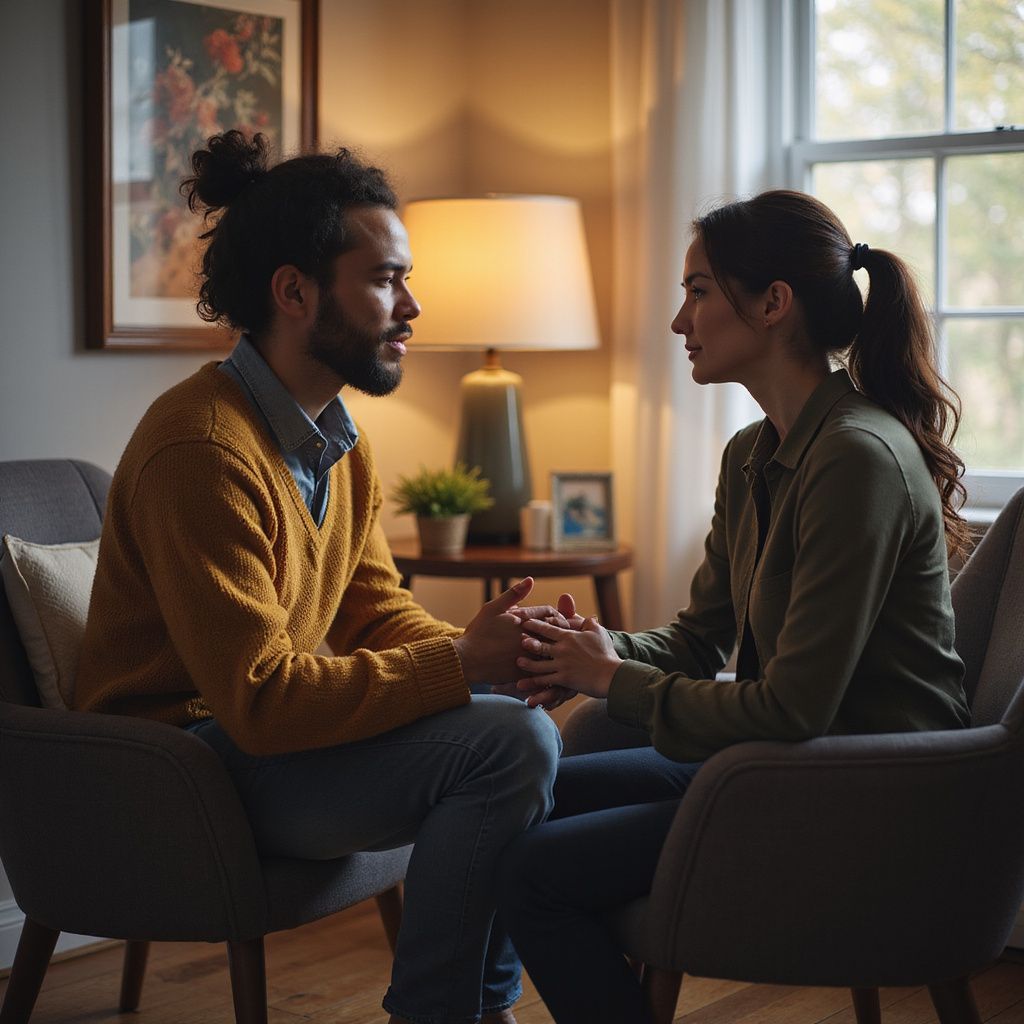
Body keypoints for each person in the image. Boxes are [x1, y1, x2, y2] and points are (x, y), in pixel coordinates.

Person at [75, 130, 564, 1024]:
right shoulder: (201, 450)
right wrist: (463, 670)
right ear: (295, 291)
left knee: (523, 721)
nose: (412, 306)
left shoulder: (338, 440)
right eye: (386, 280)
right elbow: (259, 698)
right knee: (509, 743)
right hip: (176, 771)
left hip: (256, 748)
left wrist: (492, 652)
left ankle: (469, 1010)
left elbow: (377, 613)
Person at [494, 189, 972, 1024]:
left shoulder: (856, 459)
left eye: (699, 291)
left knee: (533, 875)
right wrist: (594, 648)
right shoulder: (753, 452)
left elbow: (793, 707)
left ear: (774, 304)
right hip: (780, 766)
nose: (681, 322)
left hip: (865, 796)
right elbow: (697, 638)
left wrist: (610, 680)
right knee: (518, 794)